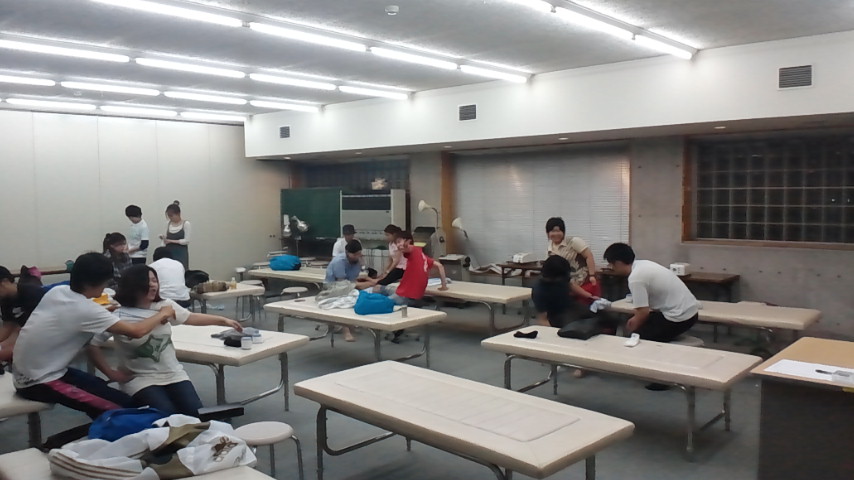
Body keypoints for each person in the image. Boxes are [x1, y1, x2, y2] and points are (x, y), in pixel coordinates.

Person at [12, 253, 173, 419]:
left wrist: (105, 312)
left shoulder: (58, 292)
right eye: (106, 282)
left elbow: (76, 313)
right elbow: (136, 331)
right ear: (93, 283)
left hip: (36, 371)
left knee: (101, 389)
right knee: (123, 408)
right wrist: (163, 313)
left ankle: (104, 426)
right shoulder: (86, 309)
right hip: (38, 382)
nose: (106, 287)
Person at [87, 265, 242, 416]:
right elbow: (92, 344)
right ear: (133, 285)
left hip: (173, 373)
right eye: (147, 282)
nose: (153, 285)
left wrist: (223, 320)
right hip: (140, 378)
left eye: (155, 280)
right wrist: (111, 374)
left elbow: (190, 317)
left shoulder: (164, 305)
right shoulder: (118, 314)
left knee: (194, 414)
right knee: (166, 415)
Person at [603, 243, 699, 342]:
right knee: (639, 323)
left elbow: (643, 312)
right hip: (690, 311)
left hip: (680, 318)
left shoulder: (636, 278)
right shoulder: (643, 264)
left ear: (618, 263)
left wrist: (632, 328)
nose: (610, 267)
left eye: (611, 264)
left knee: (635, 338)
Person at [325, 240, 376, 342]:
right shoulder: (339, 261)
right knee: (344, 299)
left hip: (348, 284)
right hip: (333, 287)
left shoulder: (357, 260)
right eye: (355, 254)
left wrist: (368, 281)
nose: (357, 256)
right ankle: (346, 331)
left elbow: (353, 279)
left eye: (359, 253)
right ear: (347, 253)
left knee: (368, 293)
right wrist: (363, 284)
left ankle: (353, 324)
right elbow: (341, 283)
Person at [545, 217, 601, 305]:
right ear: (548, 233)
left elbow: (589, 256)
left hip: (583, 281)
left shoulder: (573, 241)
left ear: (563, 231)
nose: (556, 234)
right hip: (566, 286)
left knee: (587, 306)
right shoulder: (549, 248)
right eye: (552, 231)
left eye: (558, 231)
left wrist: (592, 275)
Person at [0, 266, 46, 362]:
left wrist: (5, 348)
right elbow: (7, 326)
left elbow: (29, 330)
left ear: (5, 282)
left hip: (41, 337)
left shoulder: (32, 293)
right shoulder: (5, 299)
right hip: (25, 335)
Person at [160, 201, 190, 269]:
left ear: (178, 214)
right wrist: (163, 238)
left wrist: (171, 241)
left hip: (181, 252)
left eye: (171, 216)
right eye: (169, 216)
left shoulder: (186, 224)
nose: (170, 218)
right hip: (169, 252)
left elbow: (186, 241)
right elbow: (165, 237)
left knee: (181, 269)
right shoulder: (168, 224)